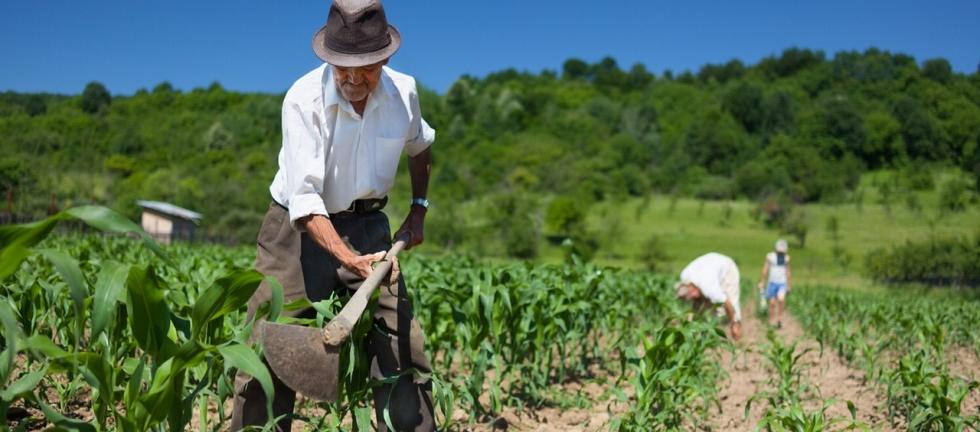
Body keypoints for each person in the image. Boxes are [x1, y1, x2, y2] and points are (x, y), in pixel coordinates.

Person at [231, 1, 436, 430]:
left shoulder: (404, 93)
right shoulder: (303, 101)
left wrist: (418, 208)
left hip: (369, 227)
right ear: (328, 56)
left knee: (400, 343)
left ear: (385, 57)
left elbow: (421, 147)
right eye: (342, 66)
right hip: (294, 231)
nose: (353, 78)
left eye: (365, 67)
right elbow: (305, 204)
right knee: (266, 347)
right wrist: (348, 259)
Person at [675, 252, 742, 340]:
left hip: (728, 269)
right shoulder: (684, 276)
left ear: (692, 289)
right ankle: (694, 333)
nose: (692, 299)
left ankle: (736, 330)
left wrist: (733, 322)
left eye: (691, 297)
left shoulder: (709, 287)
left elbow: (727, 302)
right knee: (700, 307)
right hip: (711, 264)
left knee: (730, 304)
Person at [758, 239, 792, 329]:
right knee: (772, 303)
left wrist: (789, 285)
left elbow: (788, 271)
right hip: (772, 282)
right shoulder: (770, 257)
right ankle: (771, 319)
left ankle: (780, 318)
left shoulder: (786, 258)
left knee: (781, 300)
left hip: (782, 283)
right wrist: (762, 281)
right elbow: (765, 269)